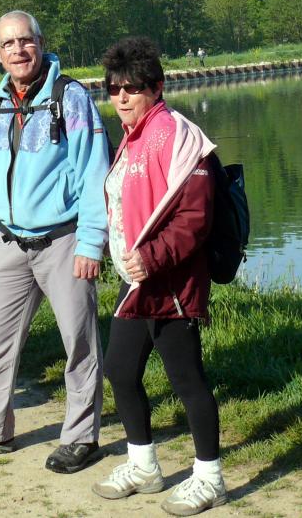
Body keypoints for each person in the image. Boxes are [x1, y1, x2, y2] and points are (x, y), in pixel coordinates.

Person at [0, 10, 110, 475]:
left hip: (63, 239)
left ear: (40, 42)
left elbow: (96, 175)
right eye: (8, 44)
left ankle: (81, 437)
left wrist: (91, 244)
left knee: (79, 342)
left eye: (25, 41)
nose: (18, 51)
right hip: (7, 244)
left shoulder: (71, 98)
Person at [91, 36, 227, 516]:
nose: (122, 97)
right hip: (138, 283)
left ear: (157, 86)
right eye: (113, 89)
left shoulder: (181, 137)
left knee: (187, 378)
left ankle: (210, 477)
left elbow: (194, 219)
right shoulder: (133, 138)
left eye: (133, 88)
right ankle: (144, 465)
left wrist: (151, 258)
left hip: (173, 283)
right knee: (120, 371)